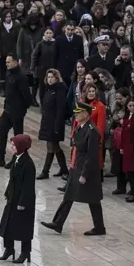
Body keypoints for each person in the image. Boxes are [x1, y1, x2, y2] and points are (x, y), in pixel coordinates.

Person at [41, 101, 106, 236]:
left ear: (86, 114)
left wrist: (85, 174)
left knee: (93, 199)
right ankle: (58, 223)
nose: (75, 115)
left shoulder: (92, 131)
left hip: (87, 170)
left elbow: (92, 155)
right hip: (77, 167)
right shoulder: (80, 128)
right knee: (69, 195)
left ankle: (99, 227)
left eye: (78, 113)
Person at [0, 54, 32, 167]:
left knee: (18, 137)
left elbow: (27, 97)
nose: (6, 64)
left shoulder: (21, 77)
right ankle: (0, 158)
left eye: (9, 62)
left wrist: (22, 110)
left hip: (17, 112)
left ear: (16, 62)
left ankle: (16, 159)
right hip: (7, 110)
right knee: (1, 131)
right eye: (6, 62)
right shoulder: (8, 73)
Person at [0, 134, 36, 264]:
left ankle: (25, 252)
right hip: (13, 197)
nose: (11, 147)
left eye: (14, 145)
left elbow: (28, 186)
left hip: (23, 200)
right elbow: (13, 178)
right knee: (8, 224)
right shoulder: (17, 158)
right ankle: (9, 249)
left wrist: (23, 202)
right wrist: (8, 192)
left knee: (24, 227)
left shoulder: (28, 164)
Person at [36, 69, 68, 179]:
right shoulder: (49, 89)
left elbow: (60, 110)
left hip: (54, 123)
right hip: (47, 122)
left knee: (51, 146)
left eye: (52, 77)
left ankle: (45, 171)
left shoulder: (59, 90)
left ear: (57, 78)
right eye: (48, 77)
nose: (49, 79)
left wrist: (57, 126)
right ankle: (64, 169)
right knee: (54, 146)